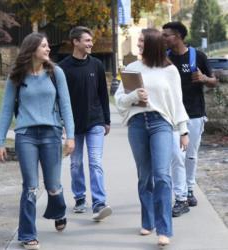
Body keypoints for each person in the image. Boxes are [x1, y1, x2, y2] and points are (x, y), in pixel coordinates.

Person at [0, 32, 75, 250]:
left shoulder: (55, 73)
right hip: (26, 136)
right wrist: (0, 141)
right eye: (44, 46)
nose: (48, 49)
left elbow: (66, 105)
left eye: (48, 46)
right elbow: (6, 110)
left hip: (51, 134)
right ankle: (27, 234)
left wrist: (71, 136)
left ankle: (58, 211)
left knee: (53, 186)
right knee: (30, 186)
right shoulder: (17, 75)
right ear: (32, 49)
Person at [115, 28, 189, 246]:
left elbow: (177, 102)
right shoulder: (131, 68)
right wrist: (133, 96)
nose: (137, 44)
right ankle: (148, 222)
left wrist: (183, 131)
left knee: (162, 176)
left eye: (141, 41)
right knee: (145, 176)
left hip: (161, 124)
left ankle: (164, 229)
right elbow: (119, 99)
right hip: (137, 124)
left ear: (152, 44)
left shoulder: (170, 70)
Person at [162, 21, 217, 217]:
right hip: (170, 115)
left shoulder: (198, 56)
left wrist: (204, 79)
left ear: (177, 36)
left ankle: (190, 188)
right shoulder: (164, 58)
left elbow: (214, 82)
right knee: (177, 156)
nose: (163, 38)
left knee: (190, 154)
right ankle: (181, 195)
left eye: (166, 35)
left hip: (194, 113)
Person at [59, 26, 112, 221]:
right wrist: (62, 123)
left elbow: (103, 94)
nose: (91, 44)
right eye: (87, 40)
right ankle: (80, 197)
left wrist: (106, 119)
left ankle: (99, 202)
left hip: (95, 121)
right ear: (75, 42)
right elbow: (58, 98)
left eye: (91, 40)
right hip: (73, 125)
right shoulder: (63, 68)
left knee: (95, 162)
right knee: (75, 163)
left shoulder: (96, 65)